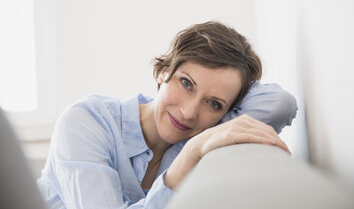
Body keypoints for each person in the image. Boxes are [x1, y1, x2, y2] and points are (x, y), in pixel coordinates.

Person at [37, 21, 297, 208]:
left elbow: (280, 103)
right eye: (186, 83)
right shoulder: (86, 122)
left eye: (214, 103)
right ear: (163, 72)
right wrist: (192, 152)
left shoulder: (209, 129)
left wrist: (234, 85)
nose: (188, 112)